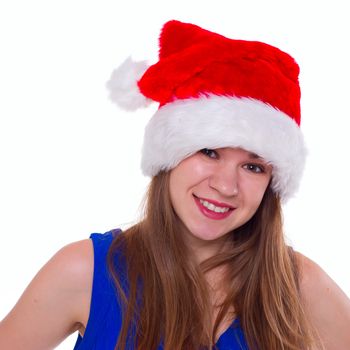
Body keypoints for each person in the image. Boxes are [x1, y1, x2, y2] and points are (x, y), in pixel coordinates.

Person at [0, 19, 349, 350]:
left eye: (253, 166)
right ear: (169, 155)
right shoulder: (85, 273)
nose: (227, 186)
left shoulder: (298, 286)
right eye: (209, 151)